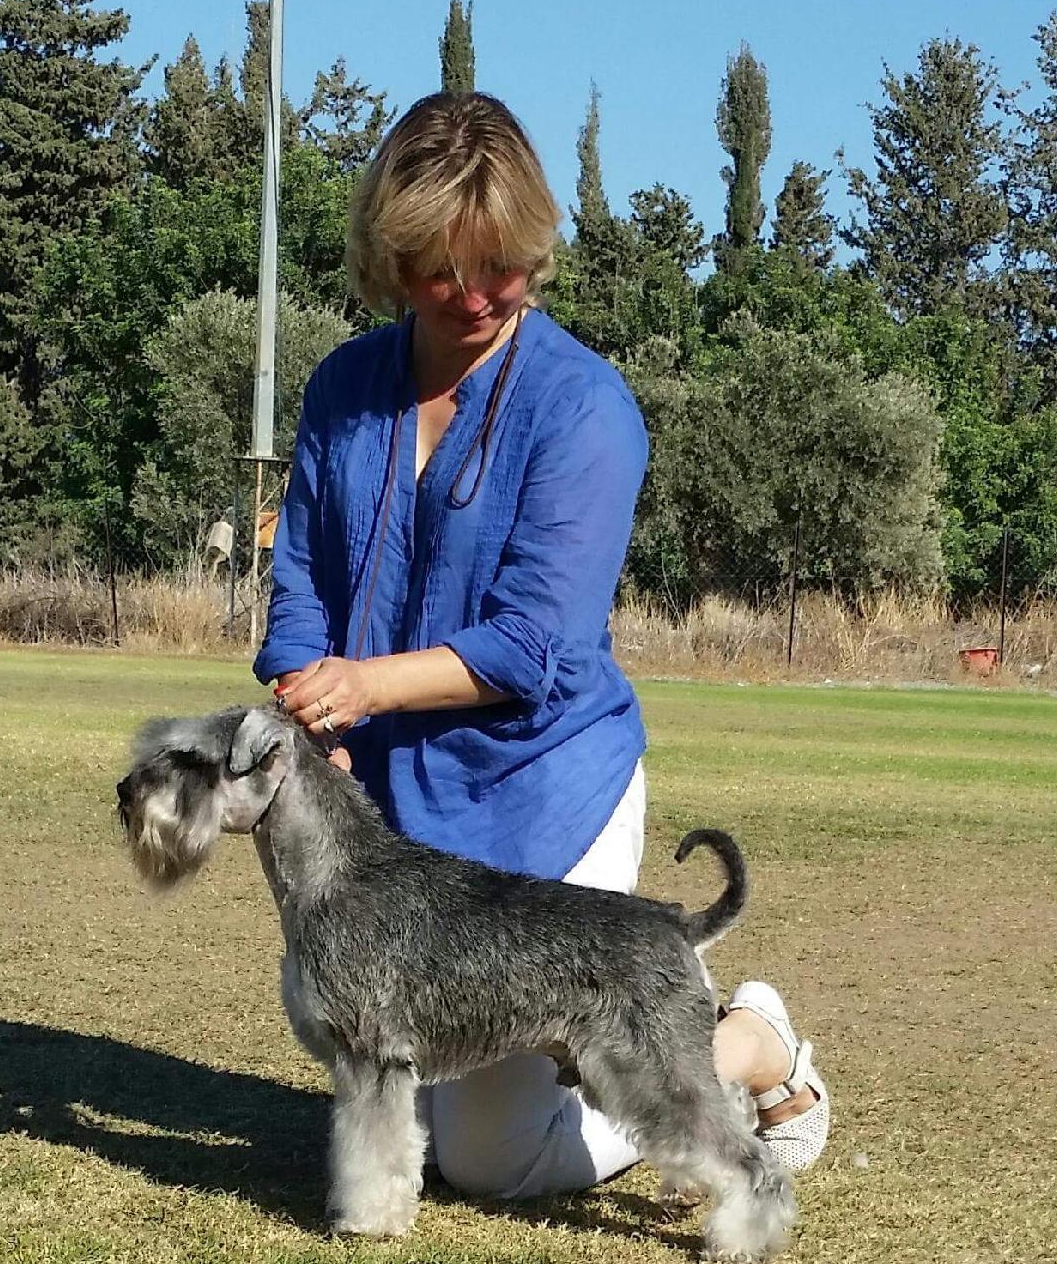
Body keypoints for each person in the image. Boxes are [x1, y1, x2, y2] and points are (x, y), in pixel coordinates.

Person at [254, 91, 829, 1196]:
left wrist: (362, 687)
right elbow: (301, 588)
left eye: (501, 266)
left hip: (537, 788)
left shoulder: (584, 410)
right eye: (441, 270)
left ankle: (746, 1042)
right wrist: (307, 705)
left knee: (494, 1156)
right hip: (386, 814)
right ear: (391, 255)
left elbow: (534, 644)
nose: (474, 296)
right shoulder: (343, 389)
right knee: (384, 1051)